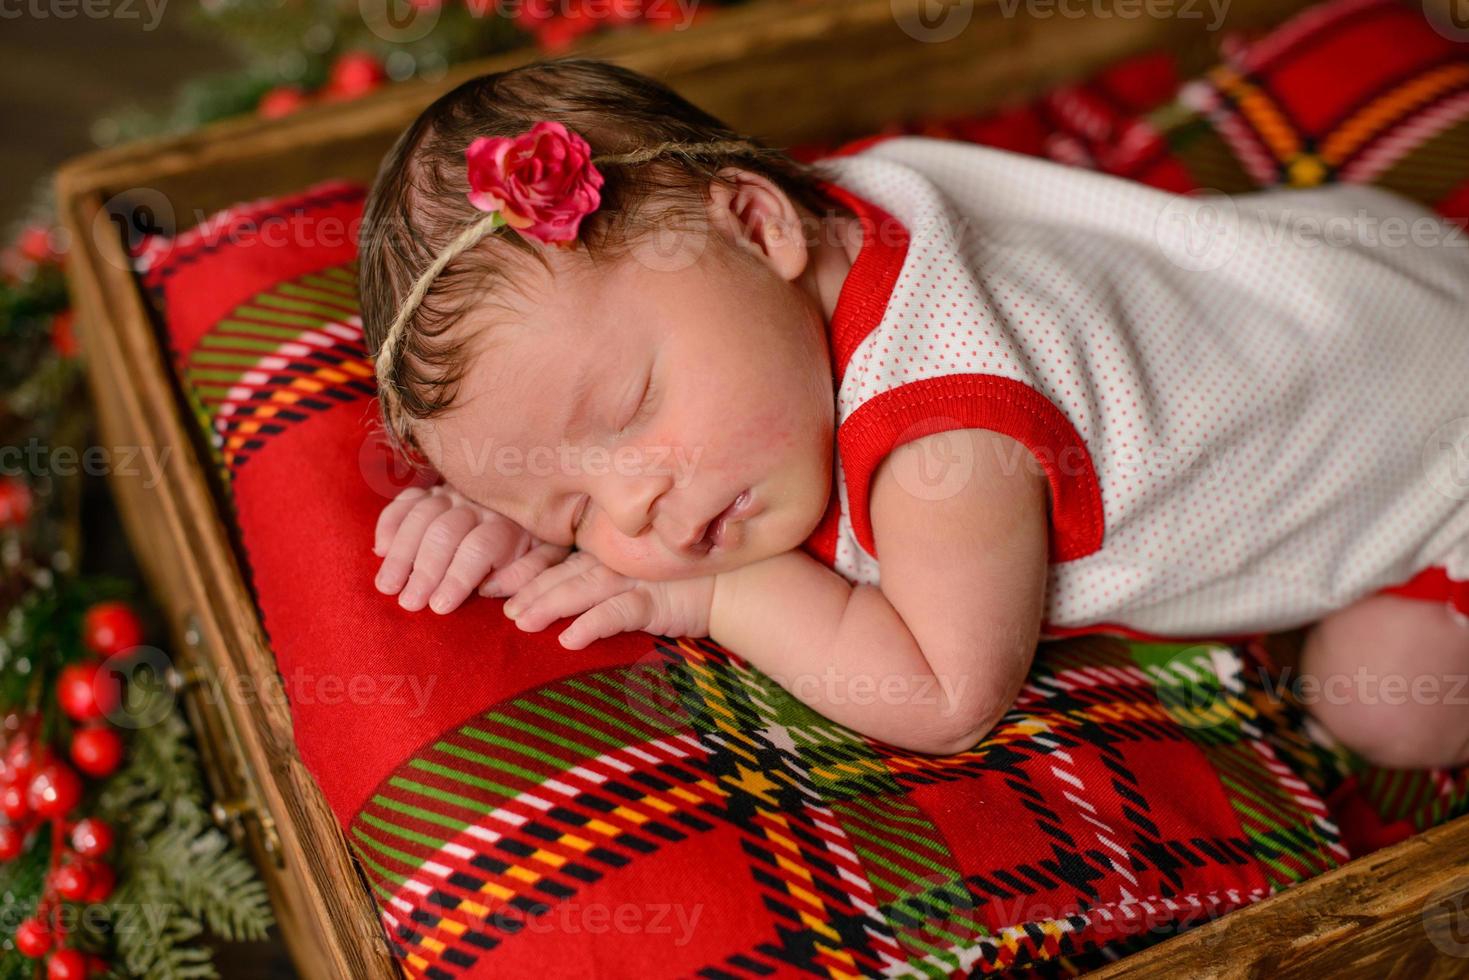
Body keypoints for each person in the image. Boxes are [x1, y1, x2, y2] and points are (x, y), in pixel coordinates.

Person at [360, 57, 1469, 763]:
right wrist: (496, 515)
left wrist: (717, 596)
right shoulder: (789, 244)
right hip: (1347, 284)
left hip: (1444, 462)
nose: (634, 512)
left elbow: (943, 693)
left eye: (632, 410)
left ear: (756, 224)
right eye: (570, 511)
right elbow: (563, 395)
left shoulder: (946, 434)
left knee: (1382, 703)